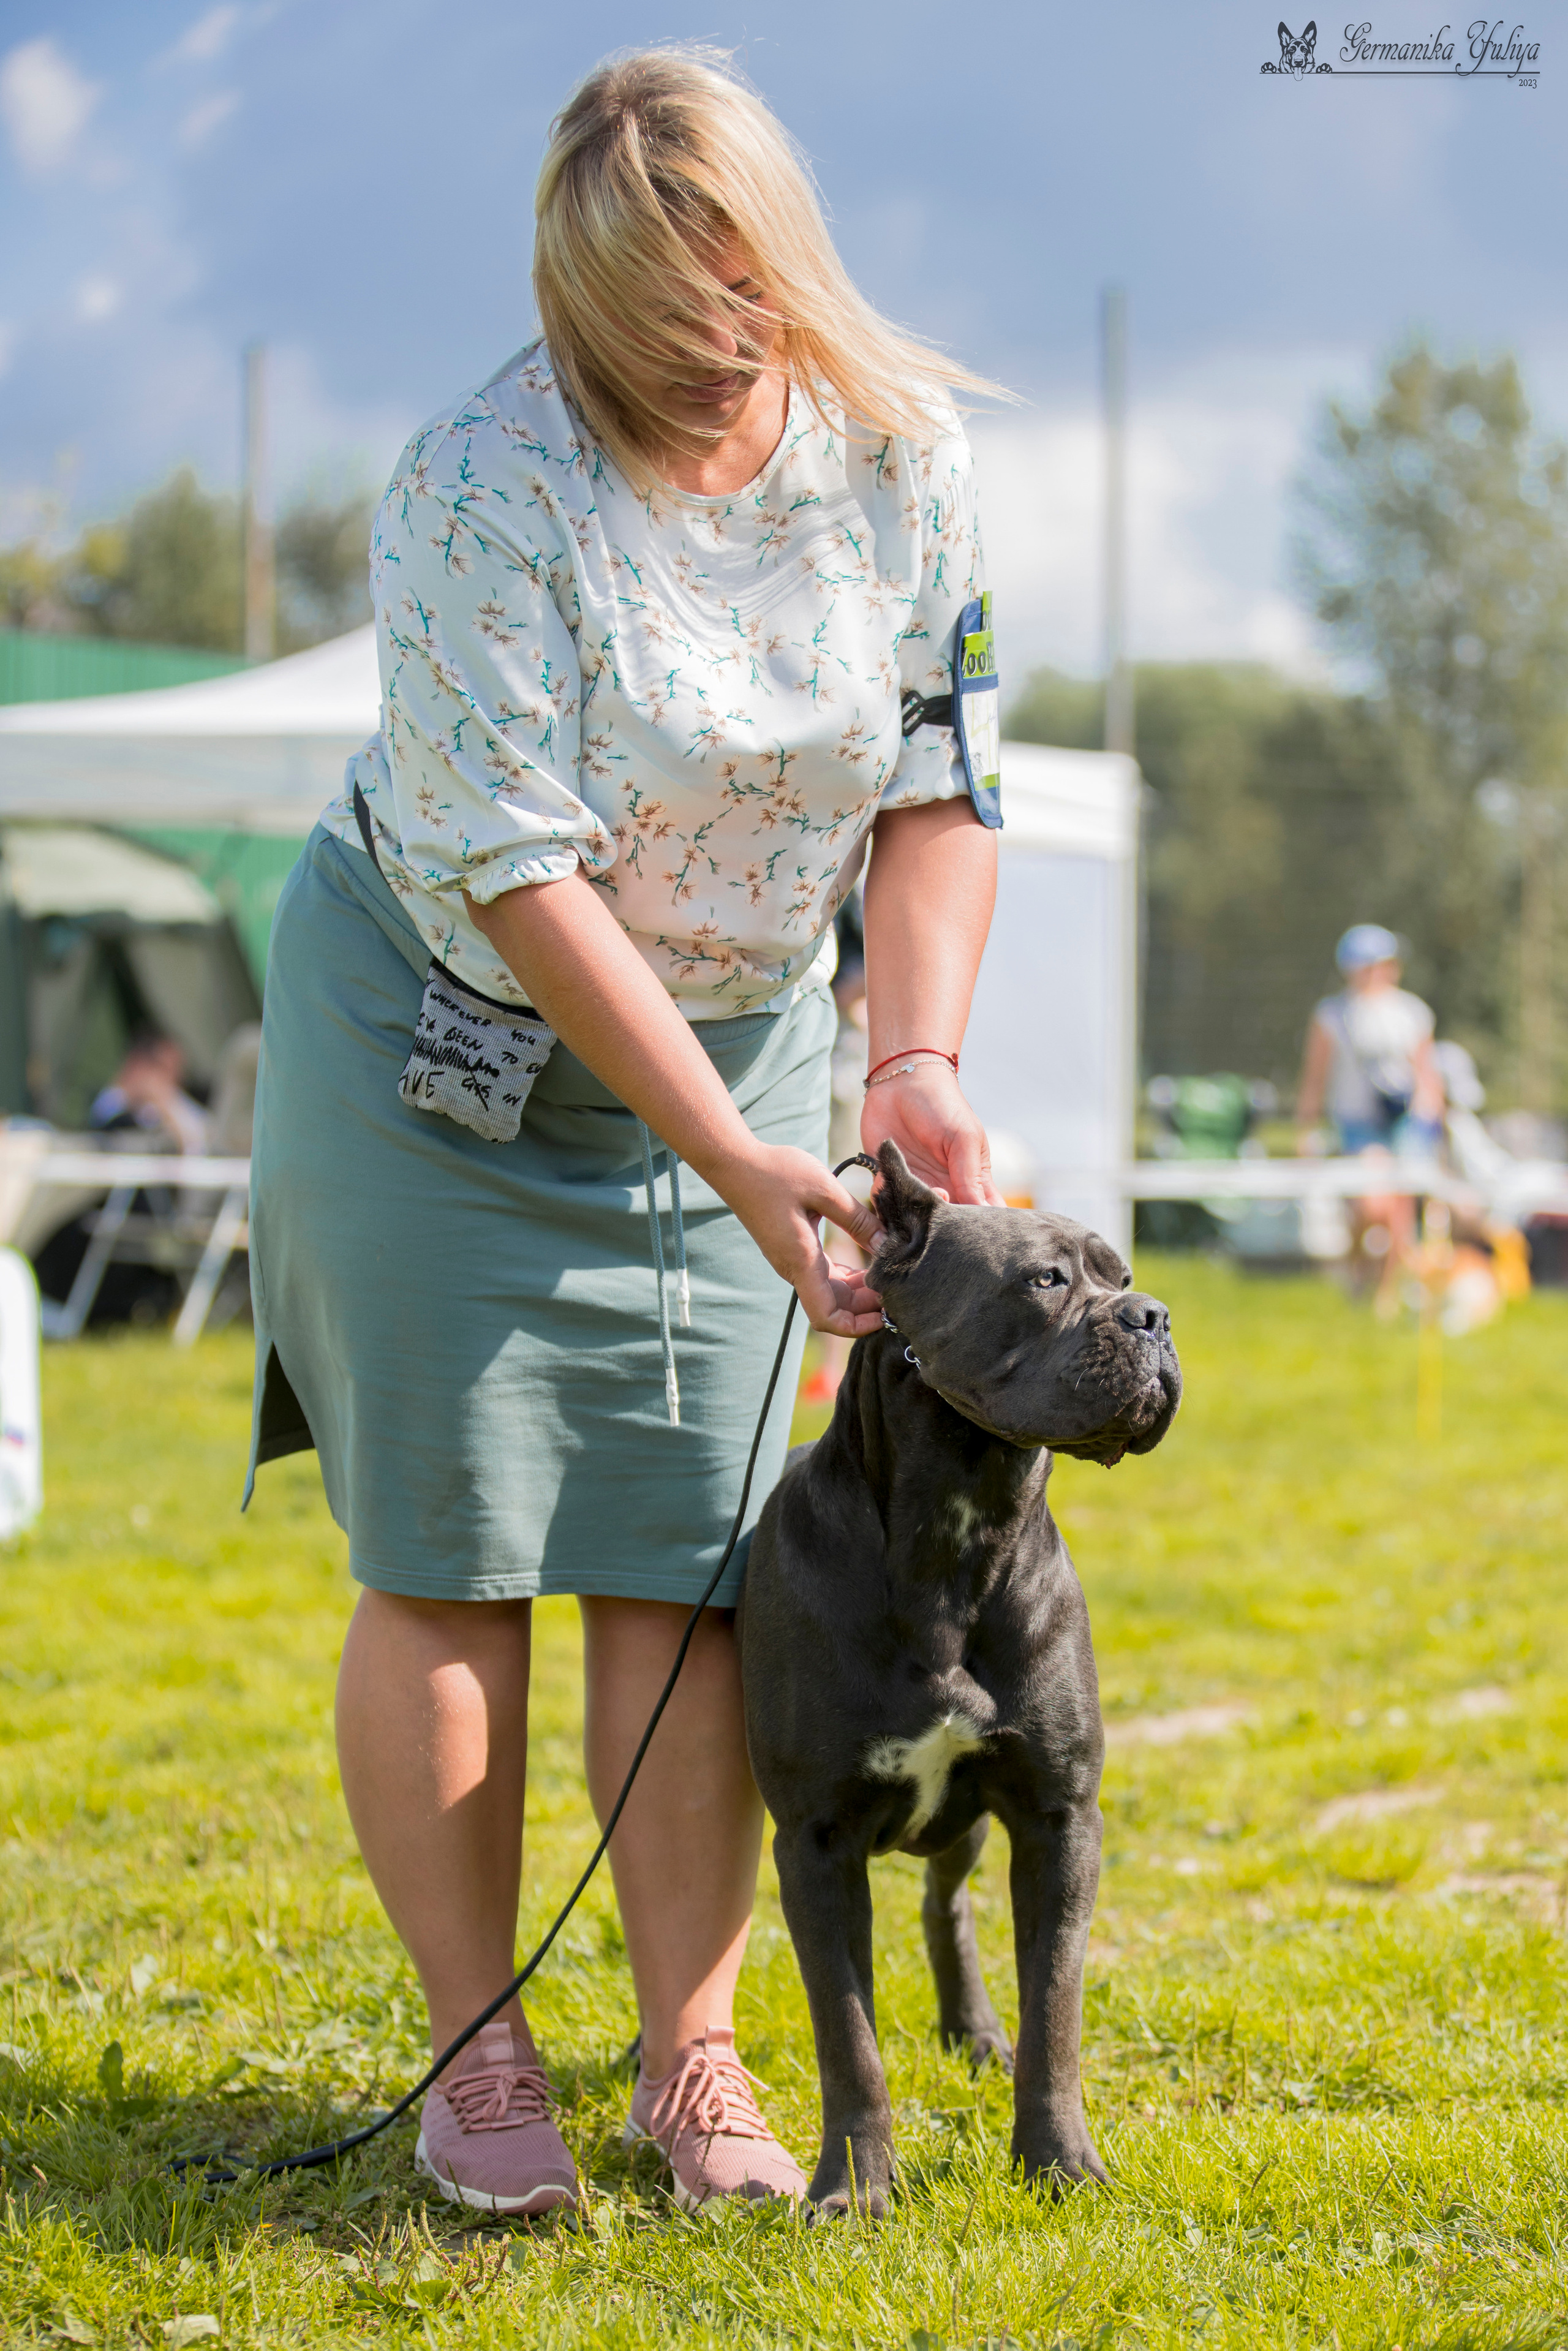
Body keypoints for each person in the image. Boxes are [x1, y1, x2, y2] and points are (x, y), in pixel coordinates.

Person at [245, 49, 1003, 2219]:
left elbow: (941, 779)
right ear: (572, 319)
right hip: (445, 1049)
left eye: (732, 325)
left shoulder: (901, 462)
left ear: (785, 277)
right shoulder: (477, 483)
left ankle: (695, 2059)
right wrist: (729, 1156)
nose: (697, 378)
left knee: (690, 1564)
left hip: (761, 1038)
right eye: (644, 349)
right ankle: (479, 2057)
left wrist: (905, 1064)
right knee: (452, 1542)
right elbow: (520, 874)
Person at [1296, 924, 1444, 1300]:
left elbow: (1427, 1074)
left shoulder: (1412, 1012)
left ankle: (1385, 1296)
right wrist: (1306, 1129)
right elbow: (1315, 1077)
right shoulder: (1332, 1015)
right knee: (1370, 1207)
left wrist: (1431, 1123)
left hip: (1407, 1122)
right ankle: (1358, 1268)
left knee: (1399, 1213)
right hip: (1358, 1123)